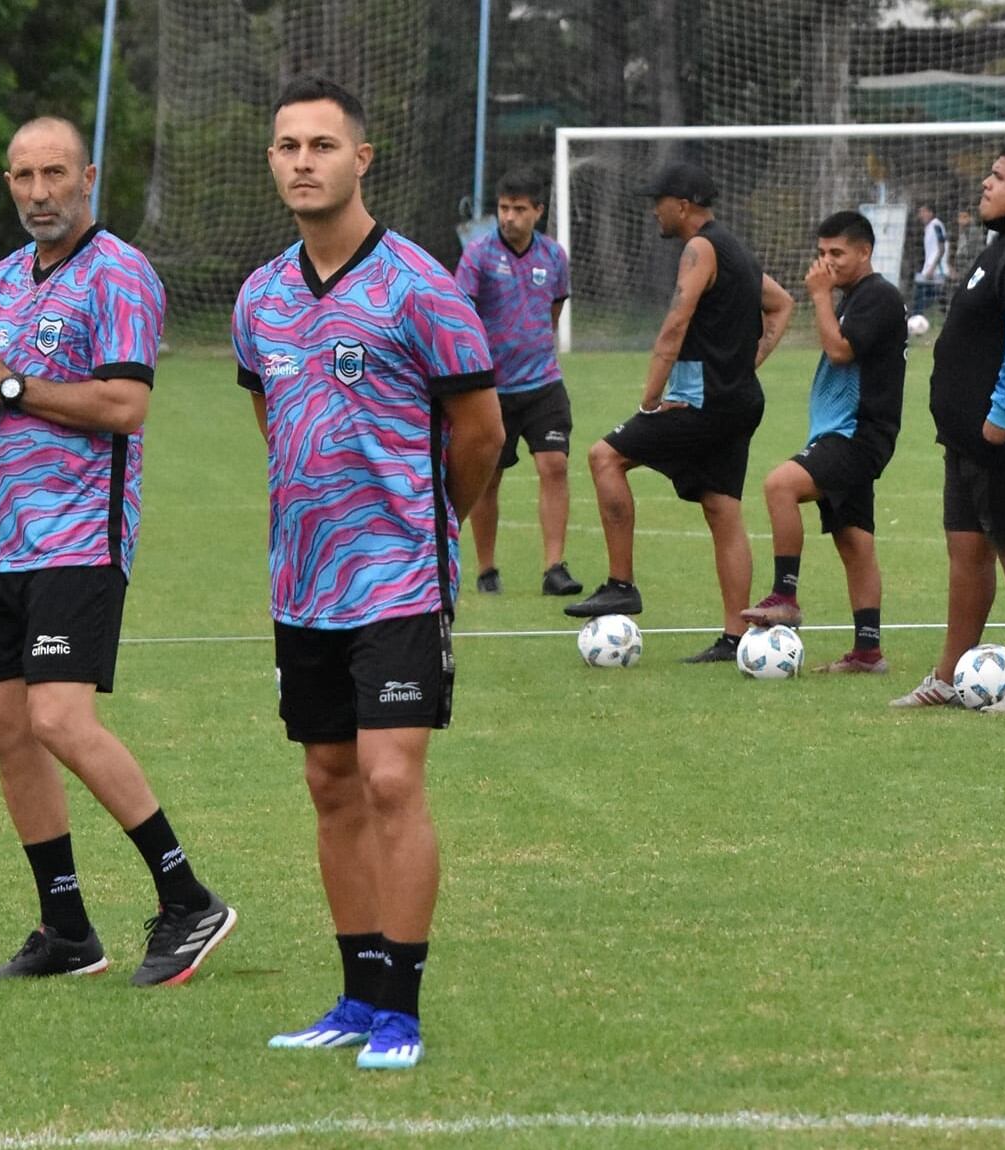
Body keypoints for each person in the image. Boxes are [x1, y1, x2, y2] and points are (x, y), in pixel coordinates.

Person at [232, 77, 503, 1070]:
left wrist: (427, 522)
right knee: (329, 780)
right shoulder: (258, 296)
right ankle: (352, 995)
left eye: (320, 145)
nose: (301, 161)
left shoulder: (422, 286)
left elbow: (480, 434)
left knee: (392, 778)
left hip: (396, 578)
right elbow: (273, 424)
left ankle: (400, 1006)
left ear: (361, 160)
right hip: (301, 584)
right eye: (286, 145)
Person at [0, 116, 235, 982]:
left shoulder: (119, 274)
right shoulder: (2, 278)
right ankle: (67, 929)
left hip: (79, 537)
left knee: (59, 718)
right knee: (5, 726)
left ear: (88, 177)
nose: (39, 191)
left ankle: (188, 898)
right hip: (5, 542)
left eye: (55, 174)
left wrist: (7, 382)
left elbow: (123, 406)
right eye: (24, 175)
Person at [564, 160, 794, 664]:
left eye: (658, 202)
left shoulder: (700, 248)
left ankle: (621, 583)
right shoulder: (735, 249)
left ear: (683, 205)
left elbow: (674, 322)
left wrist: (648, 398)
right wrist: (746, 364)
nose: (654, 211)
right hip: (738, 402)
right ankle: (736, 638)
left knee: (605, 457)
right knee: (722, 509)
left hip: (702, 404)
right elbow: (781, 304)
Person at [891, 140, 1005, 713]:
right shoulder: (1003, 244)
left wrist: (1001, 417)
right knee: (967, 549)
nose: (986, 184)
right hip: (969, 440)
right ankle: (948, 675)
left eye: (998, 176)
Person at [740, 211, 907, 672]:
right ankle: (868, 653)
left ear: (864, 252)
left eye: (837, 253)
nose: (827, 262)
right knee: (855, 543)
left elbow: (839, 349)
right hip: (845, 432)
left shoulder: (877, 296)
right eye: (821, 254)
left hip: (857, 434)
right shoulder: (855, 297)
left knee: (780, 485)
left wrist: (818, 295)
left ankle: (785, 596)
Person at [454, 168, 581, 597]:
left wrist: (536, 349)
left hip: (543, 382)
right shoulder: (478, 255)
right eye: (504, 208)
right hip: (491, 389)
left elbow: (553, 311)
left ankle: (554, 568)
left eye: (519, 209)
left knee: (555, 465)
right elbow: (463, 315)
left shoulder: (553, 257)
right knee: (489, 478)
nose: (509, 217)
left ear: (538, 211)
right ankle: (487, 568)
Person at [911, 203, 949, 318]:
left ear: (930, 213)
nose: (921, 215)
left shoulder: (936, 225)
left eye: (923, 212)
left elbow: (941, 248)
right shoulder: (929, 228)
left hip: (935, 271)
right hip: (930, 269)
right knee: (932, 299)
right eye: (919, 212)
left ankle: (917, 322)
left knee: (921, 298)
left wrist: (933, 267)